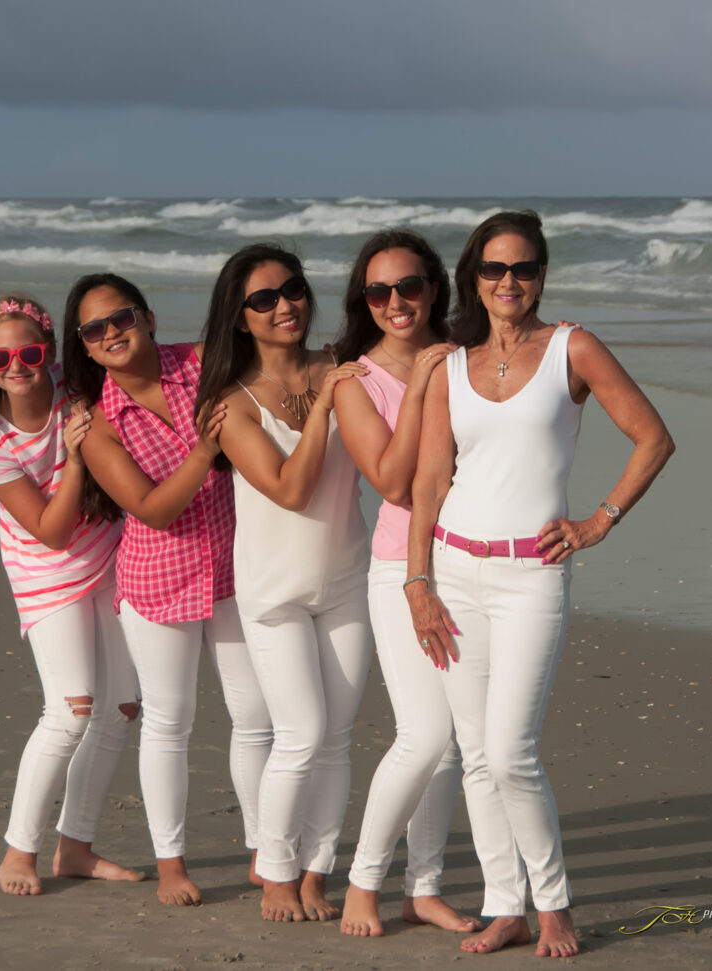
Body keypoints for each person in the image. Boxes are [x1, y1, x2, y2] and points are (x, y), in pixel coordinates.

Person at [405, 211, 675, 957]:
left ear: (542, 275)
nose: (508, 282)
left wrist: (599, 520)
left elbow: (653, 437)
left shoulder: (572, 348)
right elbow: (430, 480)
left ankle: (553, 902)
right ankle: (506, 903)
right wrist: (416, 578)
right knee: (477, 752)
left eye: (522, 269)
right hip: (453, 572)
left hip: (532, 575)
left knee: (511, 748)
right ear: (475, 277)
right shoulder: (449, 365)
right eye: (494, 269)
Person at [63, 272, 273, 907]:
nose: (111, 334)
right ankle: (173, 863)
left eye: (121, 318)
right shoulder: (98, 424)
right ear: (87, 346)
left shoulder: (204, 365)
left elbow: (272, 355)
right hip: (159, 582)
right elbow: (152, 509)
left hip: (237, 565)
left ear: (148, 318)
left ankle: (266, 849)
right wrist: (207, 449)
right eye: (94, 330)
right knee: (170, 723)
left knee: (256, 715)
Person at [195, 244, 372, 922]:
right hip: (272, 592)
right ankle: (274, 870)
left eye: (292, 288)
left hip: (347, 578)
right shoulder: (230, 403)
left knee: (337, 735)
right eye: (263, 299)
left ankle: (317, 872)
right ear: (240, 319)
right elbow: (293, 490)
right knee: (299, 731)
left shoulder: (341, 367)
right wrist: (327, 402)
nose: (284, 305)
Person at [0, 294, 144, 897]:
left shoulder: (72, 387)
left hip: (109, 553)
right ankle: (18, 852)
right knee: (70, 710)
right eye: (1, 356)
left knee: (123, 707)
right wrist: (79, 456)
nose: (17, 365)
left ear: (50, 353)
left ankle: (77, 848)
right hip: (47, 571)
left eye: (30, 352)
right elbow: (54, 532)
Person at [332, 230, 478, 937]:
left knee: (453, 744)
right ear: (365, 300)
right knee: (424, 733)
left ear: (433, 287)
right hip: (399, 566)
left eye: (409, 286)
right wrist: (420, 382)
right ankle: (364, 881)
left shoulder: (467, 352)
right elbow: (390, 480)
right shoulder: (355, 379)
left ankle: (423, 886)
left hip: (473, 560)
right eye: (379, 290)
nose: (396, 301)